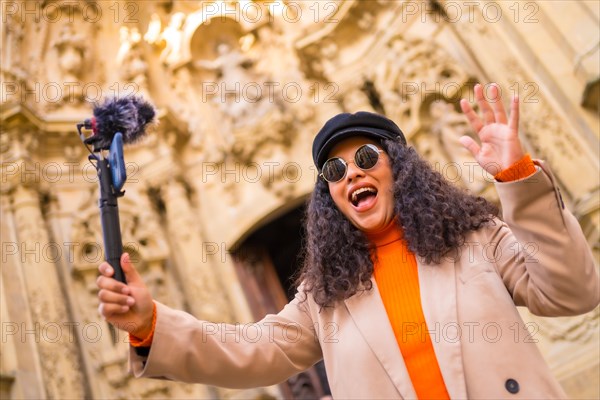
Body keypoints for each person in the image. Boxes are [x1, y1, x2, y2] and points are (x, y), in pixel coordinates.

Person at [97, 83, 599, 399]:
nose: (350, 174)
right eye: (334, 171)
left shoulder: (476, 239)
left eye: (365, 158)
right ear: (330, 195)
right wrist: (151, 324)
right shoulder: (327, 295)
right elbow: (254, 349)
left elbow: (571, 291)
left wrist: (517, 178)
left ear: (397, 168)